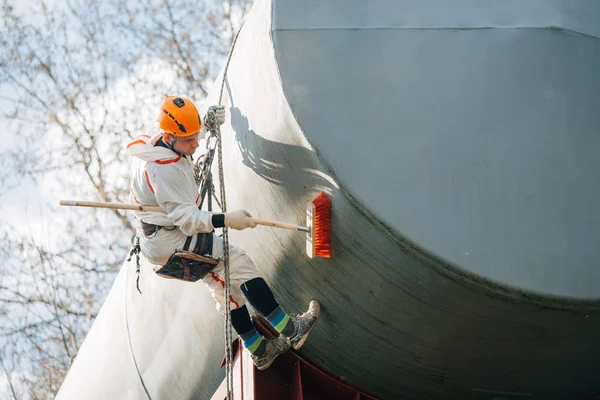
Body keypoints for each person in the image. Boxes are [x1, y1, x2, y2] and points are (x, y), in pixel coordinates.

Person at [126, 95, 320, 370]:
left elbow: (188, 138)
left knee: (224, 287)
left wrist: (205, 126)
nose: (195, 144)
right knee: (237, 262)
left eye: (196, 136)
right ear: (169, 137)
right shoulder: (163, 172)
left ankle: (260, 350)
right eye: (189, 140)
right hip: (170, 238)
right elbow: (188, 221)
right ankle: (292, 330)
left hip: (159, 236)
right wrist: (227, 219)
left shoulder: (157, 144)